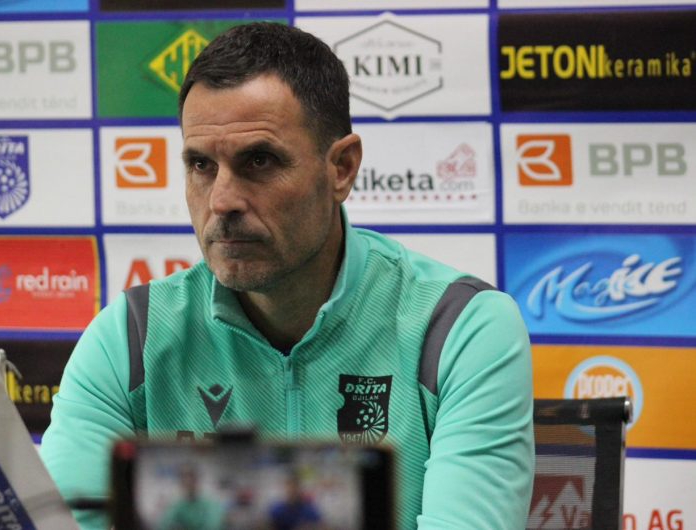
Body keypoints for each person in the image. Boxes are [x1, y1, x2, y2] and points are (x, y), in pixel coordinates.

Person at [41, 22, 534, 530]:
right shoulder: (131, 337)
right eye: (201, 165)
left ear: (342, 167)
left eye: (259, 160)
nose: (222, 200)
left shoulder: (459, 328)